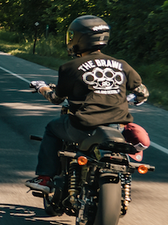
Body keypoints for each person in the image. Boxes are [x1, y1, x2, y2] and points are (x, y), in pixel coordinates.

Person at [26, 15, 150, 193]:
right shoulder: (121, 65)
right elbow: (142, 93)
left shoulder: (70, 67)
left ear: (78, 39)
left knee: (52, 129)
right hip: (117, 128)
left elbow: (56, 98)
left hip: (83, 126)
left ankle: (44, 178)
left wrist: (41, 87)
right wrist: (128, 100)